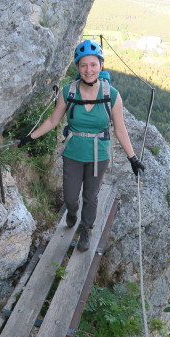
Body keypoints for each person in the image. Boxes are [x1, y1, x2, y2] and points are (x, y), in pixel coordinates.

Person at [18, 39, 144, 252]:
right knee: (70, 196)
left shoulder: (111, 95)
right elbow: (52, 121)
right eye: (83, 65)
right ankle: (73, 213)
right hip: (73, 152)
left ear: (101, 66)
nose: (89, 70)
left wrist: (133, 159)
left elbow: (120, 130)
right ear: (77, 67)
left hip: (98, 154)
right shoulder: (68, 92)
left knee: (91, 196)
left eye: (93, 64)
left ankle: (86, 229)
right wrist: (29, 137)